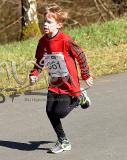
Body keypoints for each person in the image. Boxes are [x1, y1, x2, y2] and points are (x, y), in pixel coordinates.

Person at [29, 3, 93, 154]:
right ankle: (63, 141)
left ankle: (78, 99)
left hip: (69, 84)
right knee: (50, 111)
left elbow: (80, 55)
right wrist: (34, 74)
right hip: (54, 83)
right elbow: (39, 60)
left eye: (49, 22)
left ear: (58, 24)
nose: (45, 24)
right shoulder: (42, 42)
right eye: (44, 21)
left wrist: (86, 75)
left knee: (60, 113)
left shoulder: (65, 40)